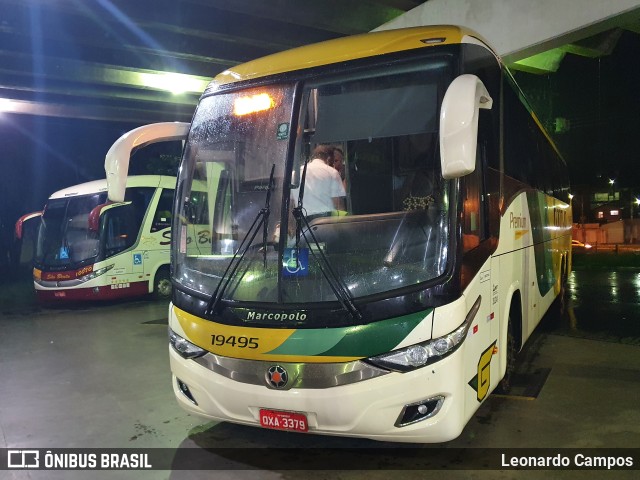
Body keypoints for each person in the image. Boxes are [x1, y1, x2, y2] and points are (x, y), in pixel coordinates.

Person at [292, 144, 346, 218]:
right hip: (326, 222)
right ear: (329, 158)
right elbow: (338, 205)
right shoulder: (332, 172)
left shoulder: (295, 174)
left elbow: (290, 204)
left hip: (302, 223)